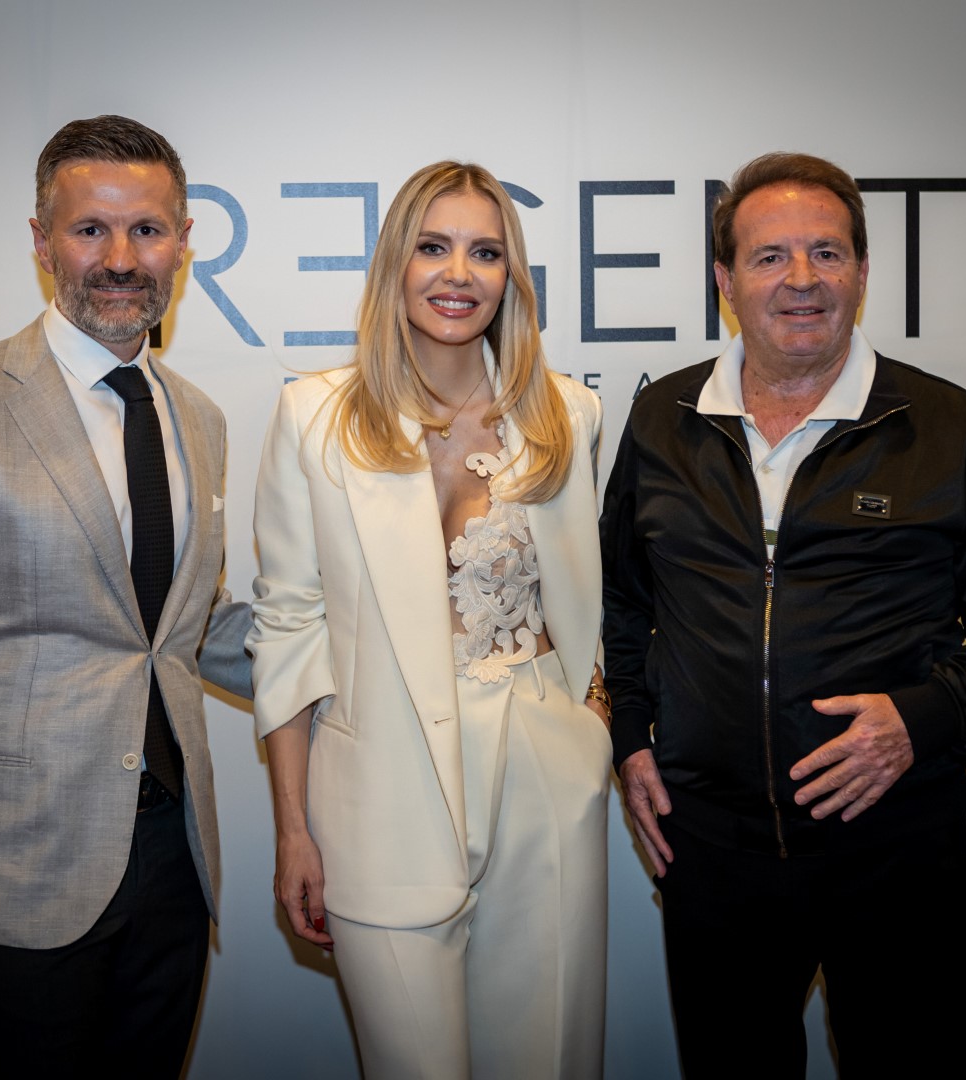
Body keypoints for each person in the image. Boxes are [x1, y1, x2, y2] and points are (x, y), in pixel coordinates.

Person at [599, 151, 966, 1078]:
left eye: (825, 252)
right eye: (769, 256)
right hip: (713, 851)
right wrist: (630, 734)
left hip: (893, 847)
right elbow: (622, 598)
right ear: (725, 281)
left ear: (861, 272)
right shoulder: (663, 419)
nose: (801, 278)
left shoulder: (942, 424)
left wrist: (923, 718)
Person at [0, 114, 251, 1078]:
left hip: (172, 863)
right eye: (89, 230)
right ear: (41, 242)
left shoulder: (197, 418)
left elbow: (184, 627)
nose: (120, 259)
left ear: (184, 243)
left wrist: (375, 655)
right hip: (15, 875)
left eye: (146, 230)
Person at [248, 161, 612, 1078]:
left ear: (510, 274)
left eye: (485, 252)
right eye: (433, 247)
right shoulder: (313, 415)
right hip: (379, 789)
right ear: (394, 266)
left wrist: (590, 720)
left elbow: (589, 595)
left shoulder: (568, 414)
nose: (458, 274)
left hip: (543, 767)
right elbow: (288, 626)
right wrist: (293, 827)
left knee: (547, 1061)